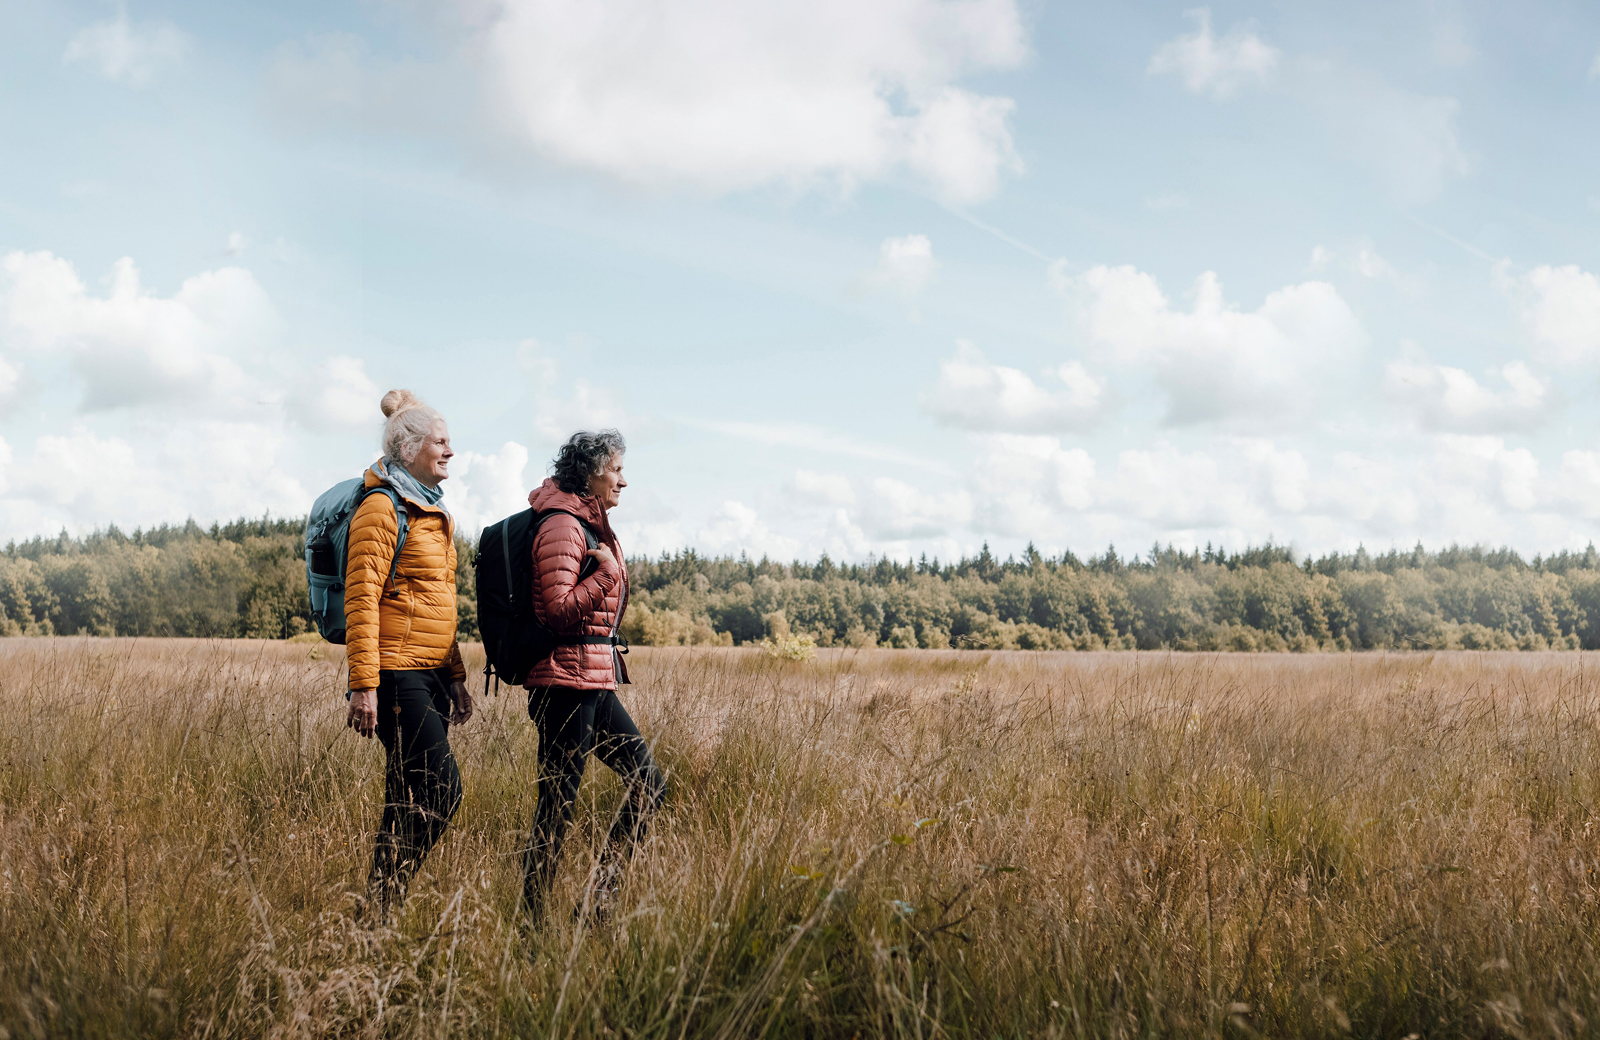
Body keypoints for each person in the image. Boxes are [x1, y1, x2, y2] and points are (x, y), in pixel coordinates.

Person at [522, 429, 664, 922]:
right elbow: (558, 610)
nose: (623, 480)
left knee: (650, 786)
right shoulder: (563, 525)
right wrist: (607, 576)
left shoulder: (589, 524)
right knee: (556, 808)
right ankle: (531, 924)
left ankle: (597, 904)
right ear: (590, 473)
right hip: (563, 685)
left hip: (593, 680)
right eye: (617, 469)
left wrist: (607, 570)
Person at [345, 389, 474, 920]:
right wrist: (363, 684)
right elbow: (361, 598)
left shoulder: (428, 509)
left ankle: (372, 919)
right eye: (441, 442)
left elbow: (439, 602)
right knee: (443, 793)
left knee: (403, 800)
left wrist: (457, 676)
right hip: (396, 675)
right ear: (409, 447)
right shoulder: (381, 508)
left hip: (431, 675)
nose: (451, 451)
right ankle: (384, 900)